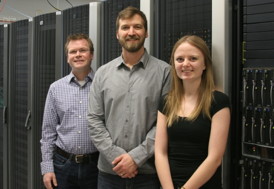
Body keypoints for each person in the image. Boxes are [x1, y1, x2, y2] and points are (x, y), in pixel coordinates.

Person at [87, 6, 170, 189]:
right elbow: (94, 120)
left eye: (137, 27)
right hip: (109, 174)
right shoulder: (102, 73)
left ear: (146, 32)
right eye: (125, 27)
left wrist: (136, 158)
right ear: (117, 34)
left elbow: (166, 122)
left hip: (148, 175)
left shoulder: (165, 72)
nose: (131, 32)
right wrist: (117, 158)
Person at [155, 35, 231, 189]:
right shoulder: (166, 101)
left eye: (193, 58)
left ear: (205, 65)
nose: (186, 64)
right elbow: (160, 152)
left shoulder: (218, 102)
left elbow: (215, 158)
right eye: (180, 59)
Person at [40, 33, 99, 189]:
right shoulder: (55, 88)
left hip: (96, 166)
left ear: (91, 55)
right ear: (67, 57)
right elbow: (48, 132)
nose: (78, 55)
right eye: (73, 51)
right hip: (63, 165)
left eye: (83, 50)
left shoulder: (102, 85)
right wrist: (47, 169)